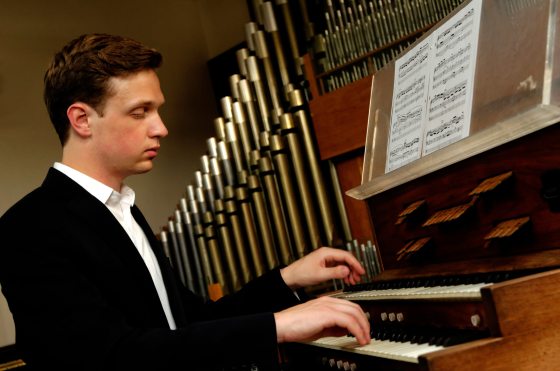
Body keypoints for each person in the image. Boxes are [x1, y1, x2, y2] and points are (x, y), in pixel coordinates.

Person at [0, 33, 370, 371]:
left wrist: (288, 278)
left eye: (157, 110)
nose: (161, 128)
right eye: (140, 111)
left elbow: (190, 322)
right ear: (82, 119)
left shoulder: (121, 209)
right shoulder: (30, 227)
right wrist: (275, 327)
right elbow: (109, 356)